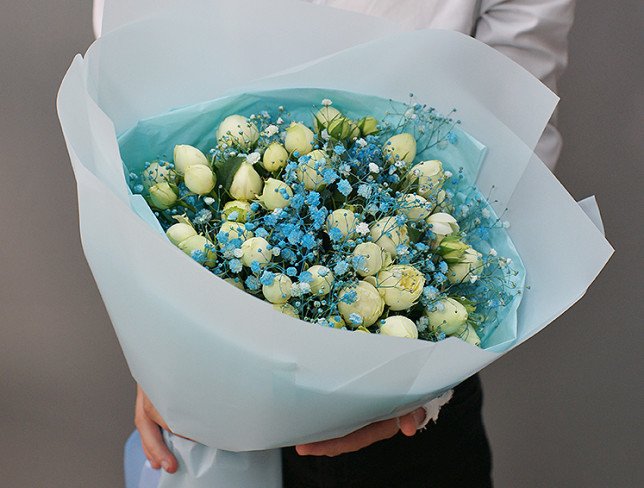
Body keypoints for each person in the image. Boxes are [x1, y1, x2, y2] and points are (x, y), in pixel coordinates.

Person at [95, 1, 575, 486]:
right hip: (200, 385)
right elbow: (131, 74)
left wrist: (422, 395)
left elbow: (516, 149)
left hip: (397, 408)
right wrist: (163, 361)